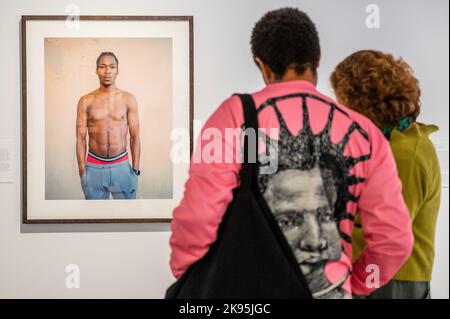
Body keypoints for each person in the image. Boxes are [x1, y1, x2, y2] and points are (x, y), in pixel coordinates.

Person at [169, 8, 413, 298]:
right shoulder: (366, 133)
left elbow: (198, 216)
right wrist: (356, 283)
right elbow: (394, 240)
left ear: (262, 65)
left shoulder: (230, 117)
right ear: (318, 58)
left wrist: (187, 272)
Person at [331, 50, 441, 299]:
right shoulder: (394, 142)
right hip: (383, 278)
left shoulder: (405, 155)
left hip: (390, 282)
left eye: (341, 102)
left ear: (361, 104)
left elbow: (387, 237)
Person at [76, 52, 141, 200]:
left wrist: (135, 170)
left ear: (117, 70)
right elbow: (80, 138)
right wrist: (82, 170)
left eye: (112, 67)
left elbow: (135, 136)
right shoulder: (85, 101)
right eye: (102, 67)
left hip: (122, 167)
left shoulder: (128, 99)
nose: (107, 71)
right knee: (95, 217)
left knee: (127, 217)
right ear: (96, 70)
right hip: (93, 167)